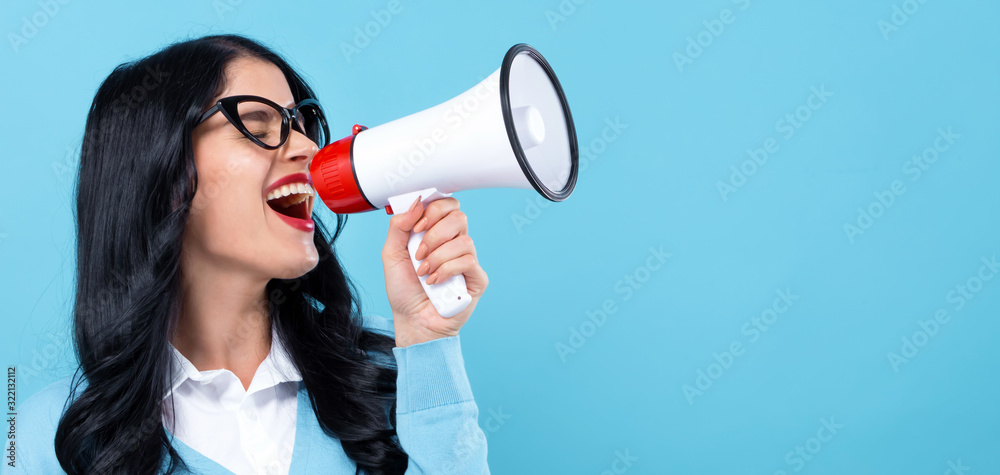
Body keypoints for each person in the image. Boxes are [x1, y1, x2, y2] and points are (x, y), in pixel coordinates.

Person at [3, 34, 490, 475]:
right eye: (259, 123)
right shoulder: (41, 441)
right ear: (165, 175)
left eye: (303, 124)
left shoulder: (391, 368)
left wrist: (429, 343)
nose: (305, 147)